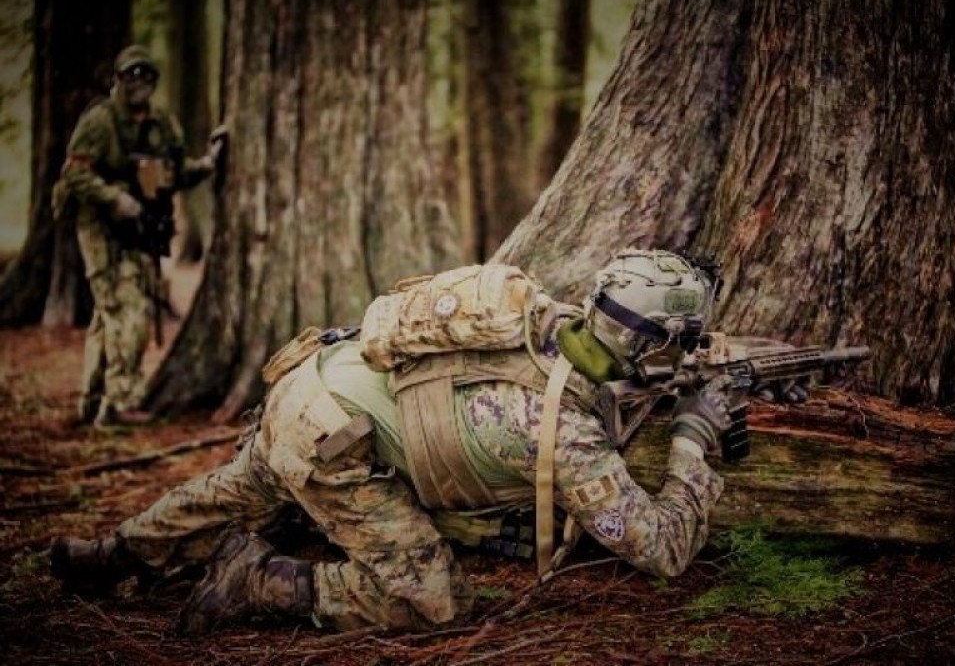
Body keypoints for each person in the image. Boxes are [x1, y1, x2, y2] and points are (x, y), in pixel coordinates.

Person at [51, 250, 733, 635]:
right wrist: (692, 437)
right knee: (431, 601)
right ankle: (255, 581)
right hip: (332, 440)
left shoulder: (541, 316)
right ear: (656, 345)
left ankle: (112, 553)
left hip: (312, 380)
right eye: (687, 341)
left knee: (243, 488)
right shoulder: (570, 442)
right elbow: (663, 549)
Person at [61, 45, 225, 428]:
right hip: (100, 228)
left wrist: (208, 164)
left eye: (146, 75)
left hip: (140, 231)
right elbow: (75, 174)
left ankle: (92, 402)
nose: (139, 83)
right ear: (117, 79)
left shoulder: (161, 122)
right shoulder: (100, 122)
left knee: (108, 315)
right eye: (131, 75)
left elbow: (174, 172)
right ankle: (120, 402)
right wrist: (114, 198)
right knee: (127, 311)